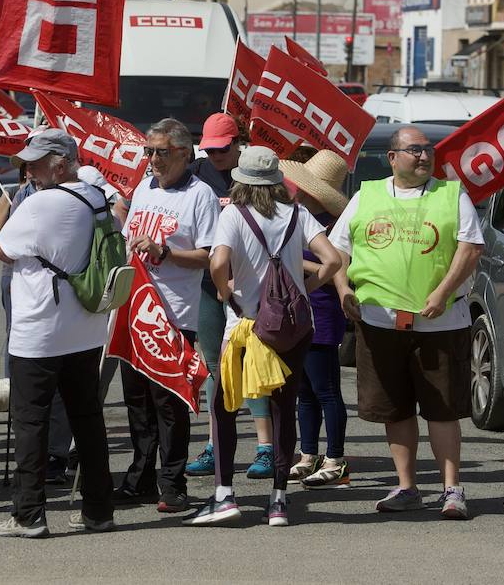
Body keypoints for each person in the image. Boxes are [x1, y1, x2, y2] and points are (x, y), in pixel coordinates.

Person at [328, 126, 483, 520]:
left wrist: (442, 291)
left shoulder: (452, 194)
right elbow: (338, 249)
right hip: (379, 323)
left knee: (442, 410)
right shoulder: (368, 195)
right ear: (393, 158)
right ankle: (406, 486)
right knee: (394, 409)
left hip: (441, 322)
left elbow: (469, 248)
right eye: (414, 150)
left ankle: (452, 489)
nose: (424, 157)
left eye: (428, 150)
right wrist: (343, 289)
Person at [186, 146, 340, 527]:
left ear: (240, 181)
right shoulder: (298, 213)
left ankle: (224, 494)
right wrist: (307, 285)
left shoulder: (233, 216)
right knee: (282, 409)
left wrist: (225, 292)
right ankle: (279, 501)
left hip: (244, 325)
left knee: (224, 406)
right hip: (290, 327)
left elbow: (218, 262)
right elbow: (334, 260)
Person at [0, 129, 114, 538]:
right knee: (88, 419)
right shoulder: (96, 196)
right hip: (85, 328)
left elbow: (2, 248)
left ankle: (29, 515)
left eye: (37, 163)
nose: (29, 170)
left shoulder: (41, 203)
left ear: (60, 163)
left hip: (40, 330)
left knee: (30, 422)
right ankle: (98, 510)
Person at [116, 118, 220, 514]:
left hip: (174, 316)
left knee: (169, 403)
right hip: (134, 310)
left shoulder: (200, 196)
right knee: (136, 402)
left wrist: (164, 252)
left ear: (184, 153)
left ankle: (172, 483)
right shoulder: (143, 187)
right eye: (148, 151)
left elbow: (208, 256)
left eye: (161, 152)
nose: (152, 160)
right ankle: (139, 478)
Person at [186, 113, 277, 482]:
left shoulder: (255, 173)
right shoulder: (197, 171)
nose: (215, 155)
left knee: (253, 366)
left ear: (238, 143)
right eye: (209, 149)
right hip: (212, 286)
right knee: (214, 366)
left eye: (222, 149)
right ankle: (215, 445)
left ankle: (266, 448)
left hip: (253, 290)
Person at [280, 150, 352, 488]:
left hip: (321, 311)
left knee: (325, 389)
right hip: (299, 310)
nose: (295, 188)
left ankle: (335, 457)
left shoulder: (332, 225)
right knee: (304, 390)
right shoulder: (298, 216)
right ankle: (308, 454)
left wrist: (300, 269)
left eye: (303, 186)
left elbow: (336, 263)